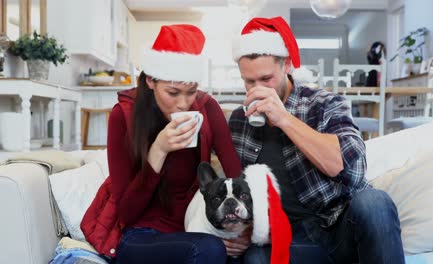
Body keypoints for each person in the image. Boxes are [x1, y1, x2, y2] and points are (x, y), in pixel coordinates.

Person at [228, 16, 405, 264]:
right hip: (287, 237)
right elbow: (236, 187)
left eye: (267, 79)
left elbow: (351, 170)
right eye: (249, 81)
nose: (258, 88)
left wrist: (284, 119)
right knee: (254, 259)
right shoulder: (239, 120)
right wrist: (245, 228)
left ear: (287, 65)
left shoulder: (324, 104)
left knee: (374, 202)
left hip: (338, 228)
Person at [80, 24, 243, 263]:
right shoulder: (124, 115)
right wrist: (158, 150)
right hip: (142, 234)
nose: (184, 104)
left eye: (191, 91)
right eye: (173, 92)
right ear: (150, 81)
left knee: (238, 253)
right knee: (209, 249)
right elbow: (127, 212)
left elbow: (237, 176)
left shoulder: (207, 108)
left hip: (197, 227)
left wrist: (243, 231)